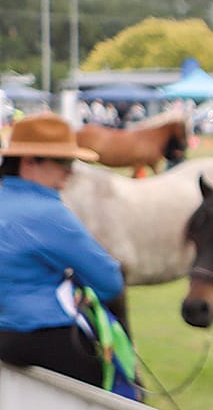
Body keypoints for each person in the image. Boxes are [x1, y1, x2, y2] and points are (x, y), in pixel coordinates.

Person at [0, 114, 127, 387]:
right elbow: (110, 282)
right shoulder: (49, 212)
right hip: (42, 334)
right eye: (62, 161)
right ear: (29, 161)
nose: (71, 169)